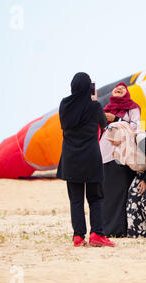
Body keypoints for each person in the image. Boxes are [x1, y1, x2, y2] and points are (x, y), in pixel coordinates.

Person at [57, 72, 115, 247]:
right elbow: (104, 124)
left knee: (76, 200)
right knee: (95, 198)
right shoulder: (94, 106)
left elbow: (65, 125)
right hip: (90, 157)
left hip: (70, 158)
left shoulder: (64, 104)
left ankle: (78, 236)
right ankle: (97, 234)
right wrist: (94, 101)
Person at [99, 82, 141, 237]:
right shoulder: (105, 109)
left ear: (127, 93)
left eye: (123, 88)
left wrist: (116, 119)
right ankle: (106, 229)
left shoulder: (132, 108)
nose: (119, 89)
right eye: (117, 87)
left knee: (121, 191)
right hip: (105, 155)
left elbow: (136, 128)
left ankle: (120, 229)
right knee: (107, 193)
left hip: (123, 156)